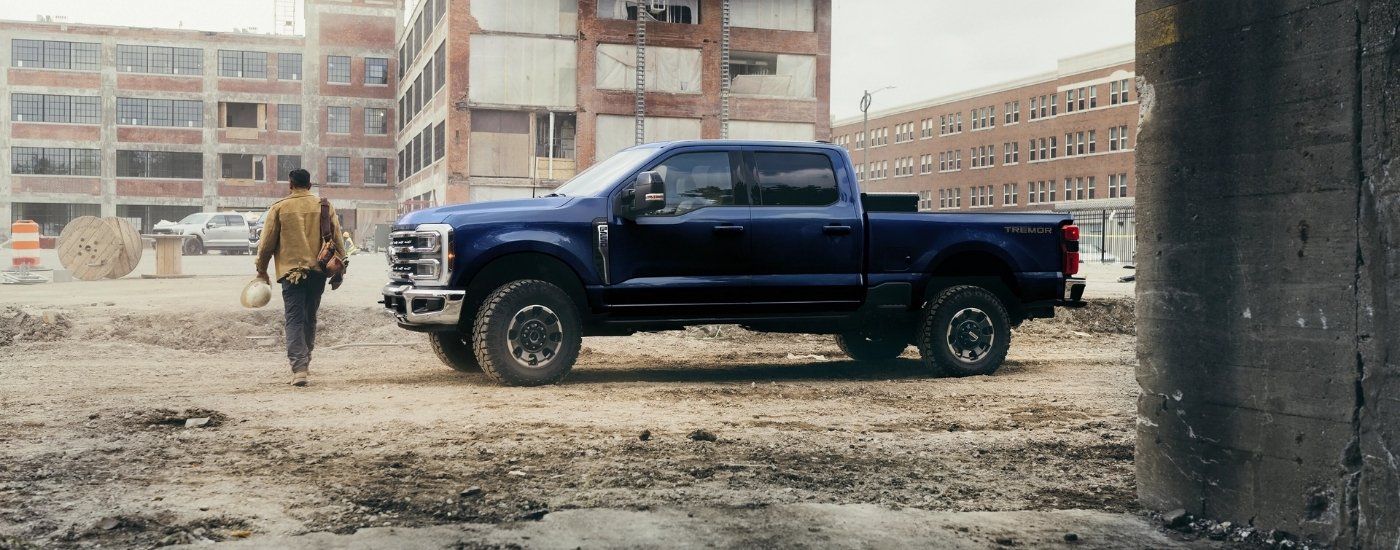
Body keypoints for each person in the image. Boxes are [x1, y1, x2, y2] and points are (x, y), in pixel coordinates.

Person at [254, 168, 346, 387]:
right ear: (310, 186)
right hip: (318, 273)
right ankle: (305, 363)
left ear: (290, 185)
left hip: (291, 274)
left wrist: (261, 269)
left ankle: (299, 369)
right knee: (309, 318)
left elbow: (266, 244)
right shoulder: (324, 206)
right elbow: (338, 241)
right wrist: (340, 270)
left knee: (294, 319)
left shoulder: (279, 208)